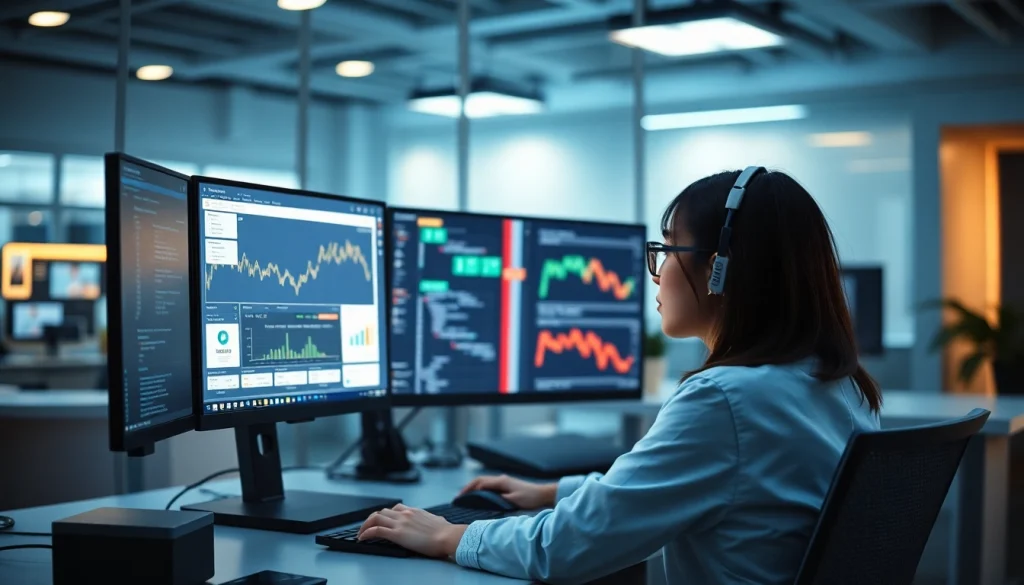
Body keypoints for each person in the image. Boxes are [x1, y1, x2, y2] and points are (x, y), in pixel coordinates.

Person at [357, 168, 883, 584]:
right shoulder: (838, 386)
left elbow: (566, 549)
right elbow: (684, 488)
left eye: (667, 251)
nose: (655, 271)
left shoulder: (726, 400)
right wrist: (553, 491)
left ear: (720, 269)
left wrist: (451, 536)